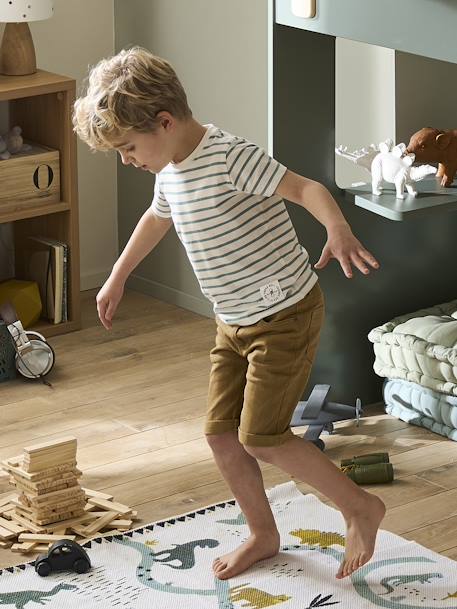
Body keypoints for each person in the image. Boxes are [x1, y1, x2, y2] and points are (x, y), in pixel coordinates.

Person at [73, 46, 386, 581]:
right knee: (221, 435)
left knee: (261, 436)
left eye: (127, 148)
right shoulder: (170, 168)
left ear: (165, 122)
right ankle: (263, 534)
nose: (126, 159)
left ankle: (359, 506)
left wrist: (337, 228)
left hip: (284, 313)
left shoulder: (228, 157)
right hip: (233, 321)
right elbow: (157, 217)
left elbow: (305, 187)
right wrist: (118, 276)